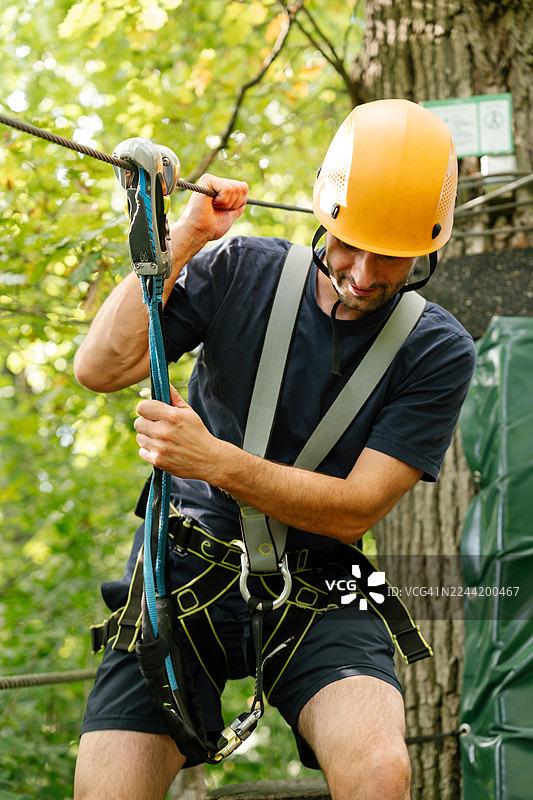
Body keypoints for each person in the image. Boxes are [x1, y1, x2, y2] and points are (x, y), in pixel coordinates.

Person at [72, 99, 476, 800]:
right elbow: (100, 368)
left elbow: (356, 510)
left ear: (428, 248)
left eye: (392, 257)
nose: (361, 272)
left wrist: (211, 461)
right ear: (324, 212)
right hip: (184, 565)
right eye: (350, 242)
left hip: (322, 580)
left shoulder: (435, 348)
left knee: (381, 773)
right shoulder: (239, 270)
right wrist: (184, 243)